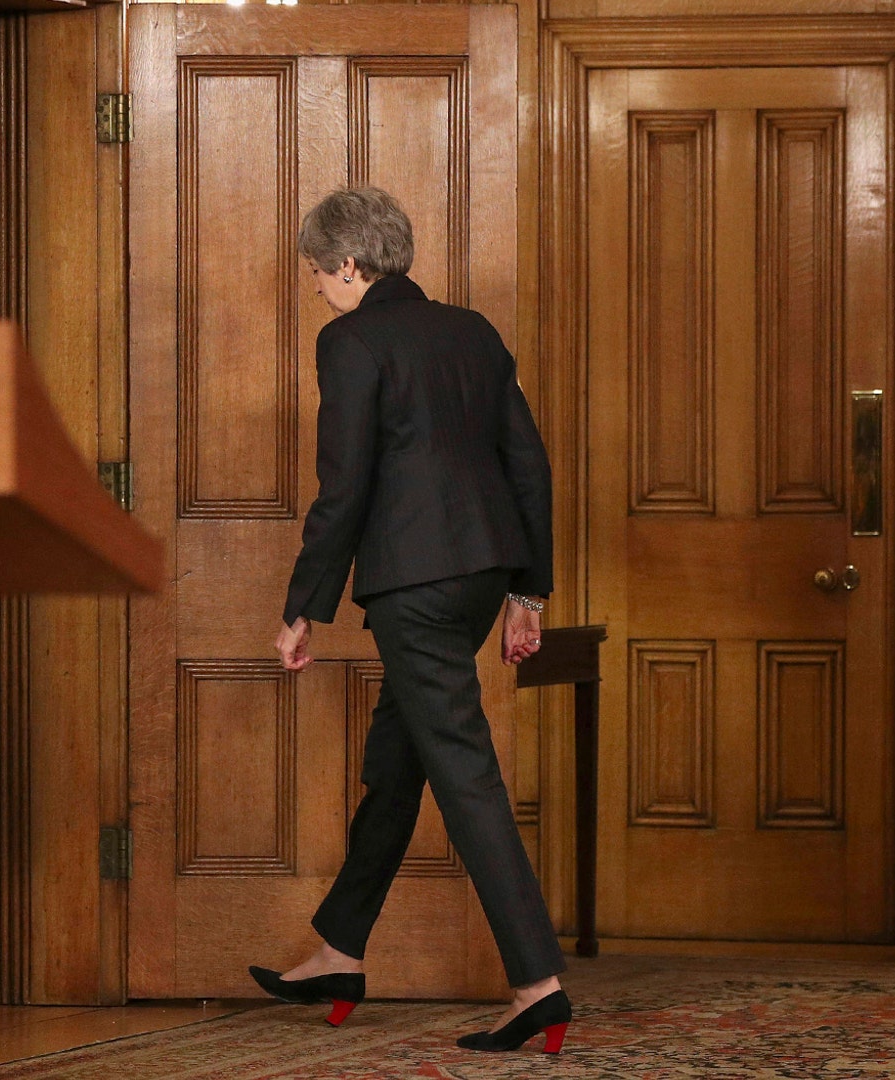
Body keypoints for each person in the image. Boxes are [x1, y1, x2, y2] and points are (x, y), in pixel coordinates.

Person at [247, 187, 571, 1054]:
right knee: (399, 760)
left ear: (350, 265)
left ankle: (537, 982)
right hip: (480, 576)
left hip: (414, 587)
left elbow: (343, 486)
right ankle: (340, 949)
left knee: (464, 774)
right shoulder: (472, 331)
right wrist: (527, 594)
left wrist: (302, 610)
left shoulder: (348, 340)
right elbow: (528, 467)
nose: (317, 289)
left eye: (319, 273)